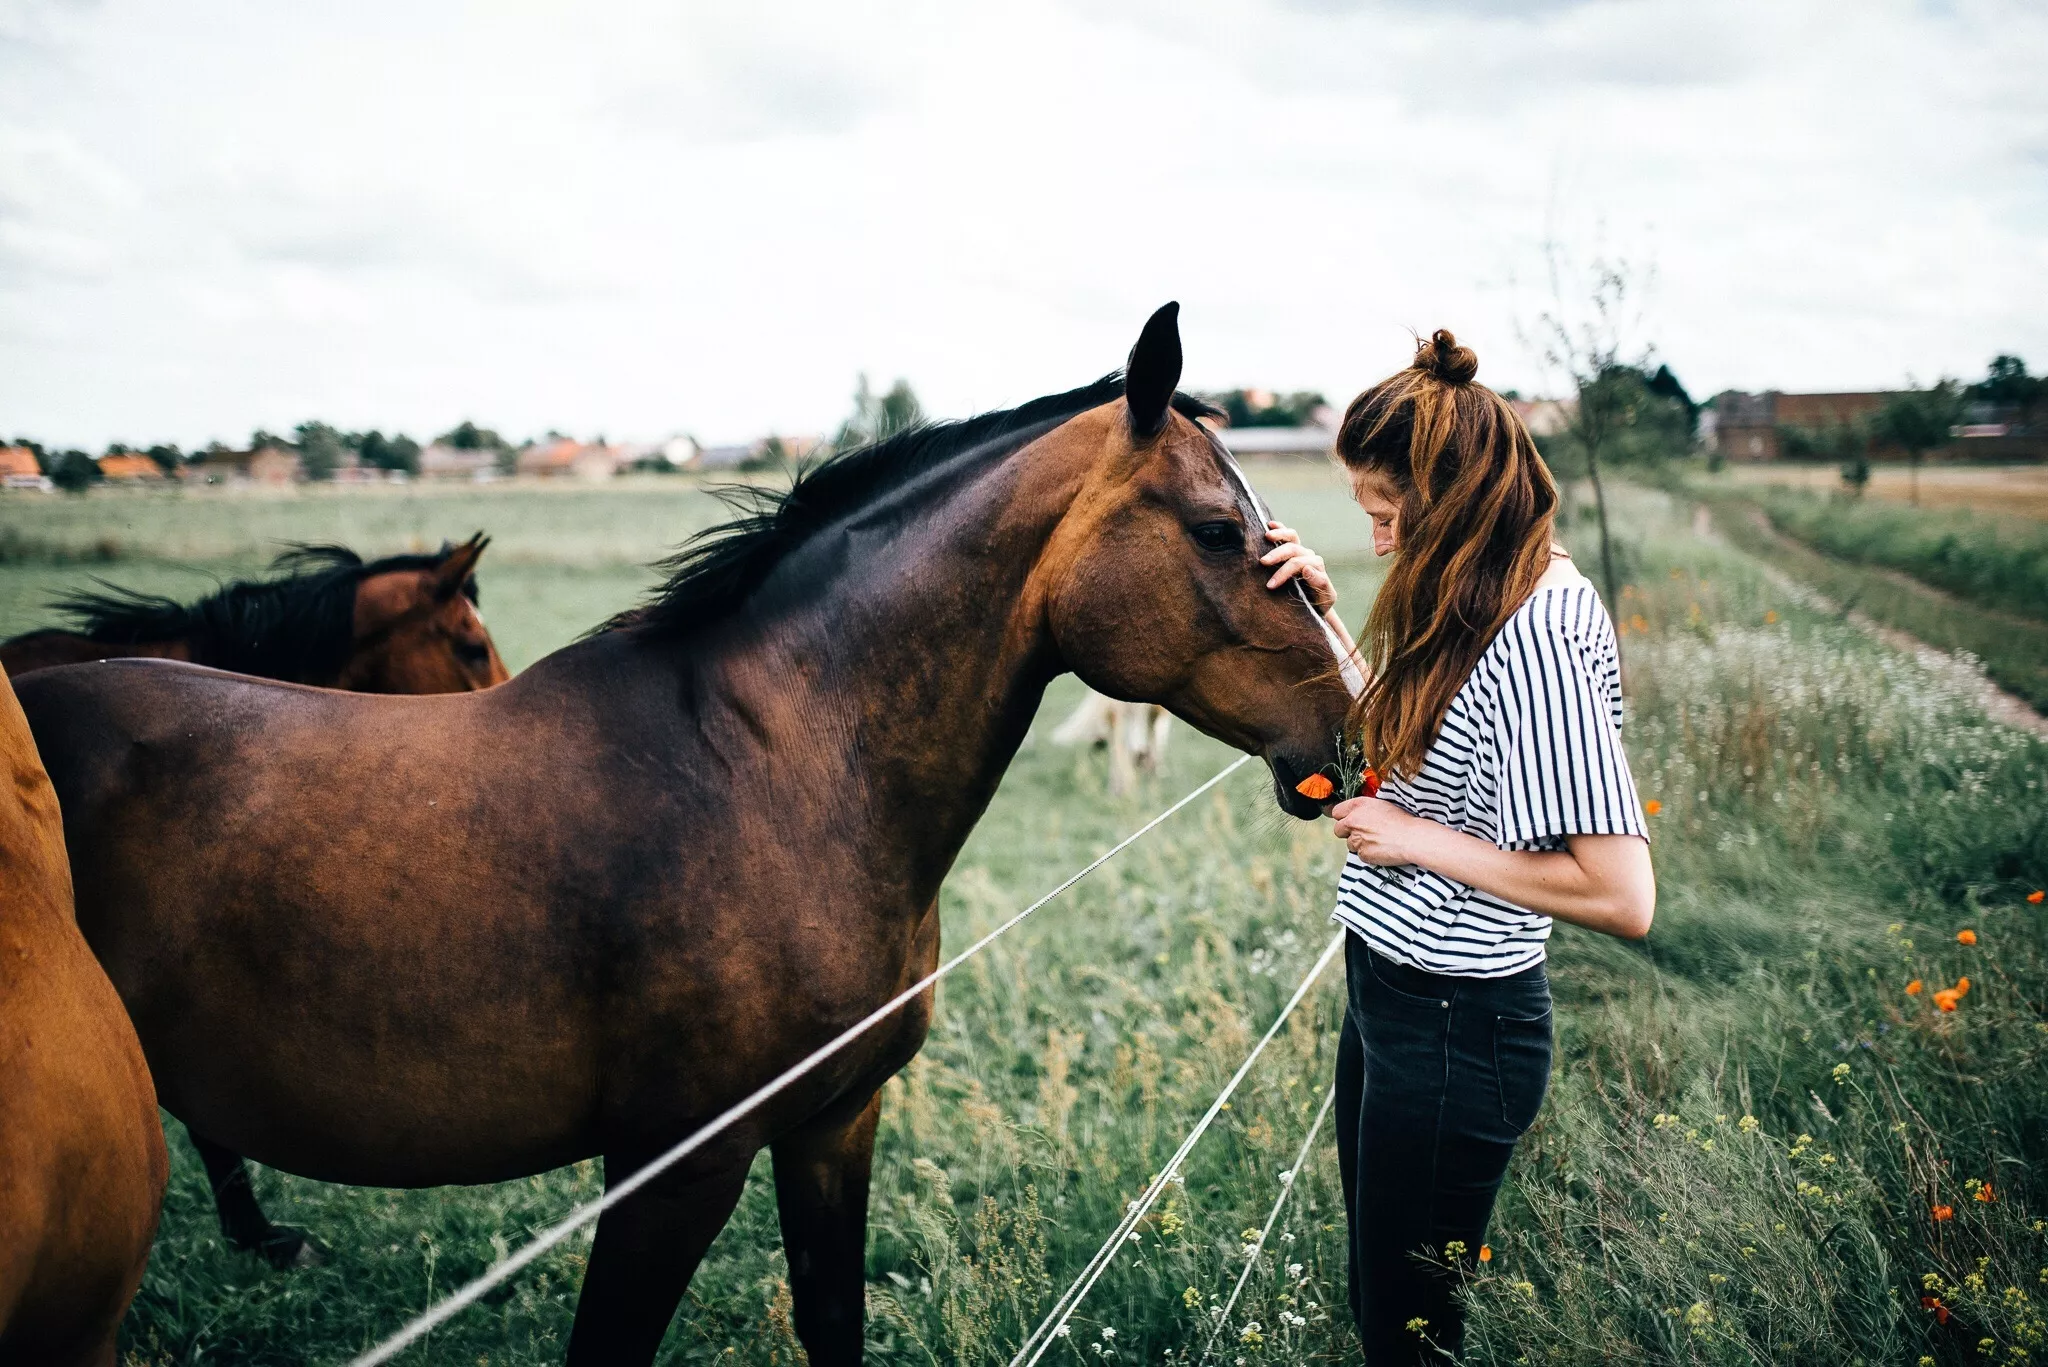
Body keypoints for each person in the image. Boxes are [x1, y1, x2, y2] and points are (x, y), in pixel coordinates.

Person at [1257, 329, 1655, 1364]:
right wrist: (1324, 619)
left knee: (1410, 1333)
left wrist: (1417, 841)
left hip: (1455, 1025)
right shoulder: (1474, 599)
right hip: (1393, 994)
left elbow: (1620, 892)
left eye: (1385, 516)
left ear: (1445, 497)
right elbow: (1424, 751)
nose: (1379, 542)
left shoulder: (1539, 629)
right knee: (1379, 1298)